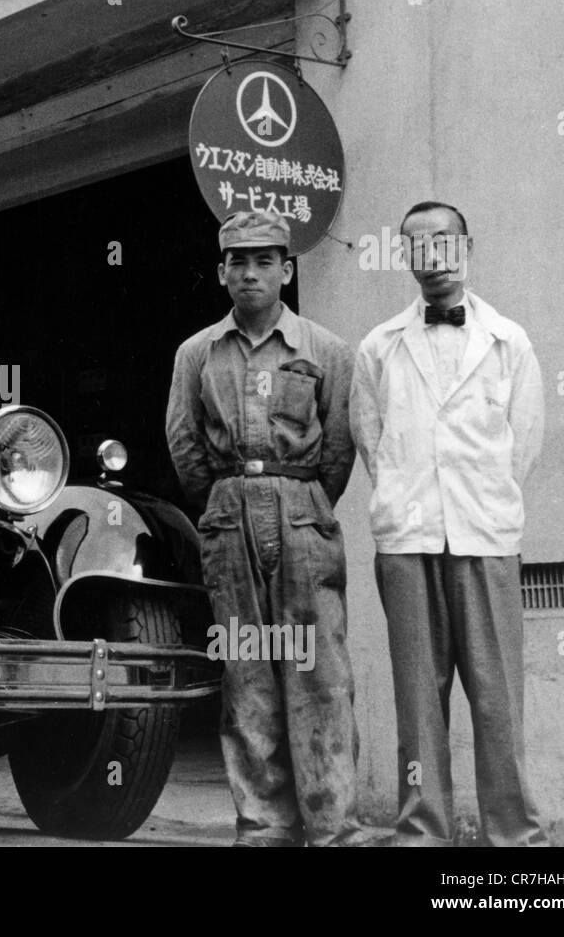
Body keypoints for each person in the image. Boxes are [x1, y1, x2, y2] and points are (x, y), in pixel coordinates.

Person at [349, 201, 548, 846]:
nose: (431, 255)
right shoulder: (379, 346)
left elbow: (524, 442)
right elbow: (370, 440)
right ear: (404, 256)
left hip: (487, 538)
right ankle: (422, 835)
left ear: (466, 247)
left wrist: (481, 498)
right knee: (418, 705)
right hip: (407, 542)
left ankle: (515, 840)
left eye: (443, 241)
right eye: (416, 245)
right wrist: (411, 501)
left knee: (497, 702)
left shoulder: (508, 340)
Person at [166, 209, 362, 846]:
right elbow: (185, 444)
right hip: (228, 516)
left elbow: (338, 449)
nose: (251, 274)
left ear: (288, 269)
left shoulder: (326, 349)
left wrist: (298, 498)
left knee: (319, 675)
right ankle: (265, 828)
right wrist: (227, 501)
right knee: (247, 677)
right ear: (222, 272)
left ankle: (331, 826)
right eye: (238, 262)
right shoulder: (198, 352)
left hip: (303, 514)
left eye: (264, 261)